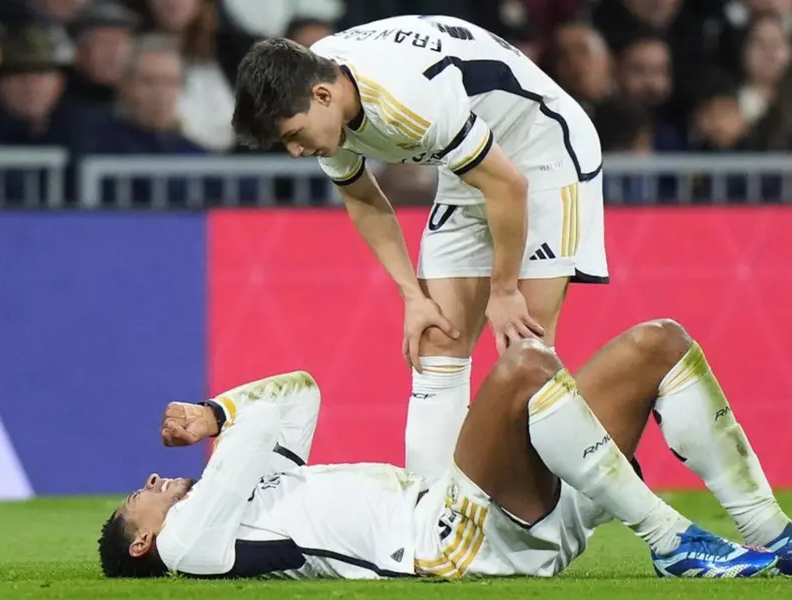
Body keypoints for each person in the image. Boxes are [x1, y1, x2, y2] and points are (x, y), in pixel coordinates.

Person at [97, 319, 792, 580]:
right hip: (447, 544)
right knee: (526, 367)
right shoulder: (194, 550)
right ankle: (672, 541)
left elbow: (298, 391)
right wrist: (223, 426)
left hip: (485, 510)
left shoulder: (242, 494)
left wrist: (213, 409)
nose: (159, 478)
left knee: (658, 343)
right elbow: (260, 430)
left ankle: (775, 534)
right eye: (146, 491)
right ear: (143, 538)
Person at [231, 15, 610, 483]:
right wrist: (412, 296)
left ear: (323, 96)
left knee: (525, 356)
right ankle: (430, 527)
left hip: (541, 150)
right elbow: (364, 197)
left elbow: (508, 185)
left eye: (292, 135)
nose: (294, 152)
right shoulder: (314, 83)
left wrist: (504, 288)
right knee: (436, 344)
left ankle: (588, 497)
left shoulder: (403, 100)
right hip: (469, 164)